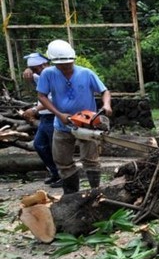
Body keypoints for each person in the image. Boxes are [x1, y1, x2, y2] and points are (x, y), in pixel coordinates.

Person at [36, 39, 112, 195]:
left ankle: (95, 192)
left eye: (68, 64)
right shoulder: (48, 74)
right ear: (54, 62)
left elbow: (104, 91)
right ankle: (71, 194)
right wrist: (59, 114)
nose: (66, 67)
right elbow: (42, 96)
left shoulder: (86, 73)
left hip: (88, 124)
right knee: (62, 161)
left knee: (91, 160)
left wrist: (106, 105)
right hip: (62, 125)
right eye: (62, 65)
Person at [21, 52, 61, 186]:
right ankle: (54, 172)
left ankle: (62, 175)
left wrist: (34, 110)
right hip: (45, 117)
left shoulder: (53, 75)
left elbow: (51, 99)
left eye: (36, 68)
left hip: (53, 115)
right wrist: (28, 71)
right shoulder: (41, 75)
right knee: (39, 144)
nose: (35, 72)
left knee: (55, 147)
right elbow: (34, 79)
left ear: (44, 64)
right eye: (33, 69)